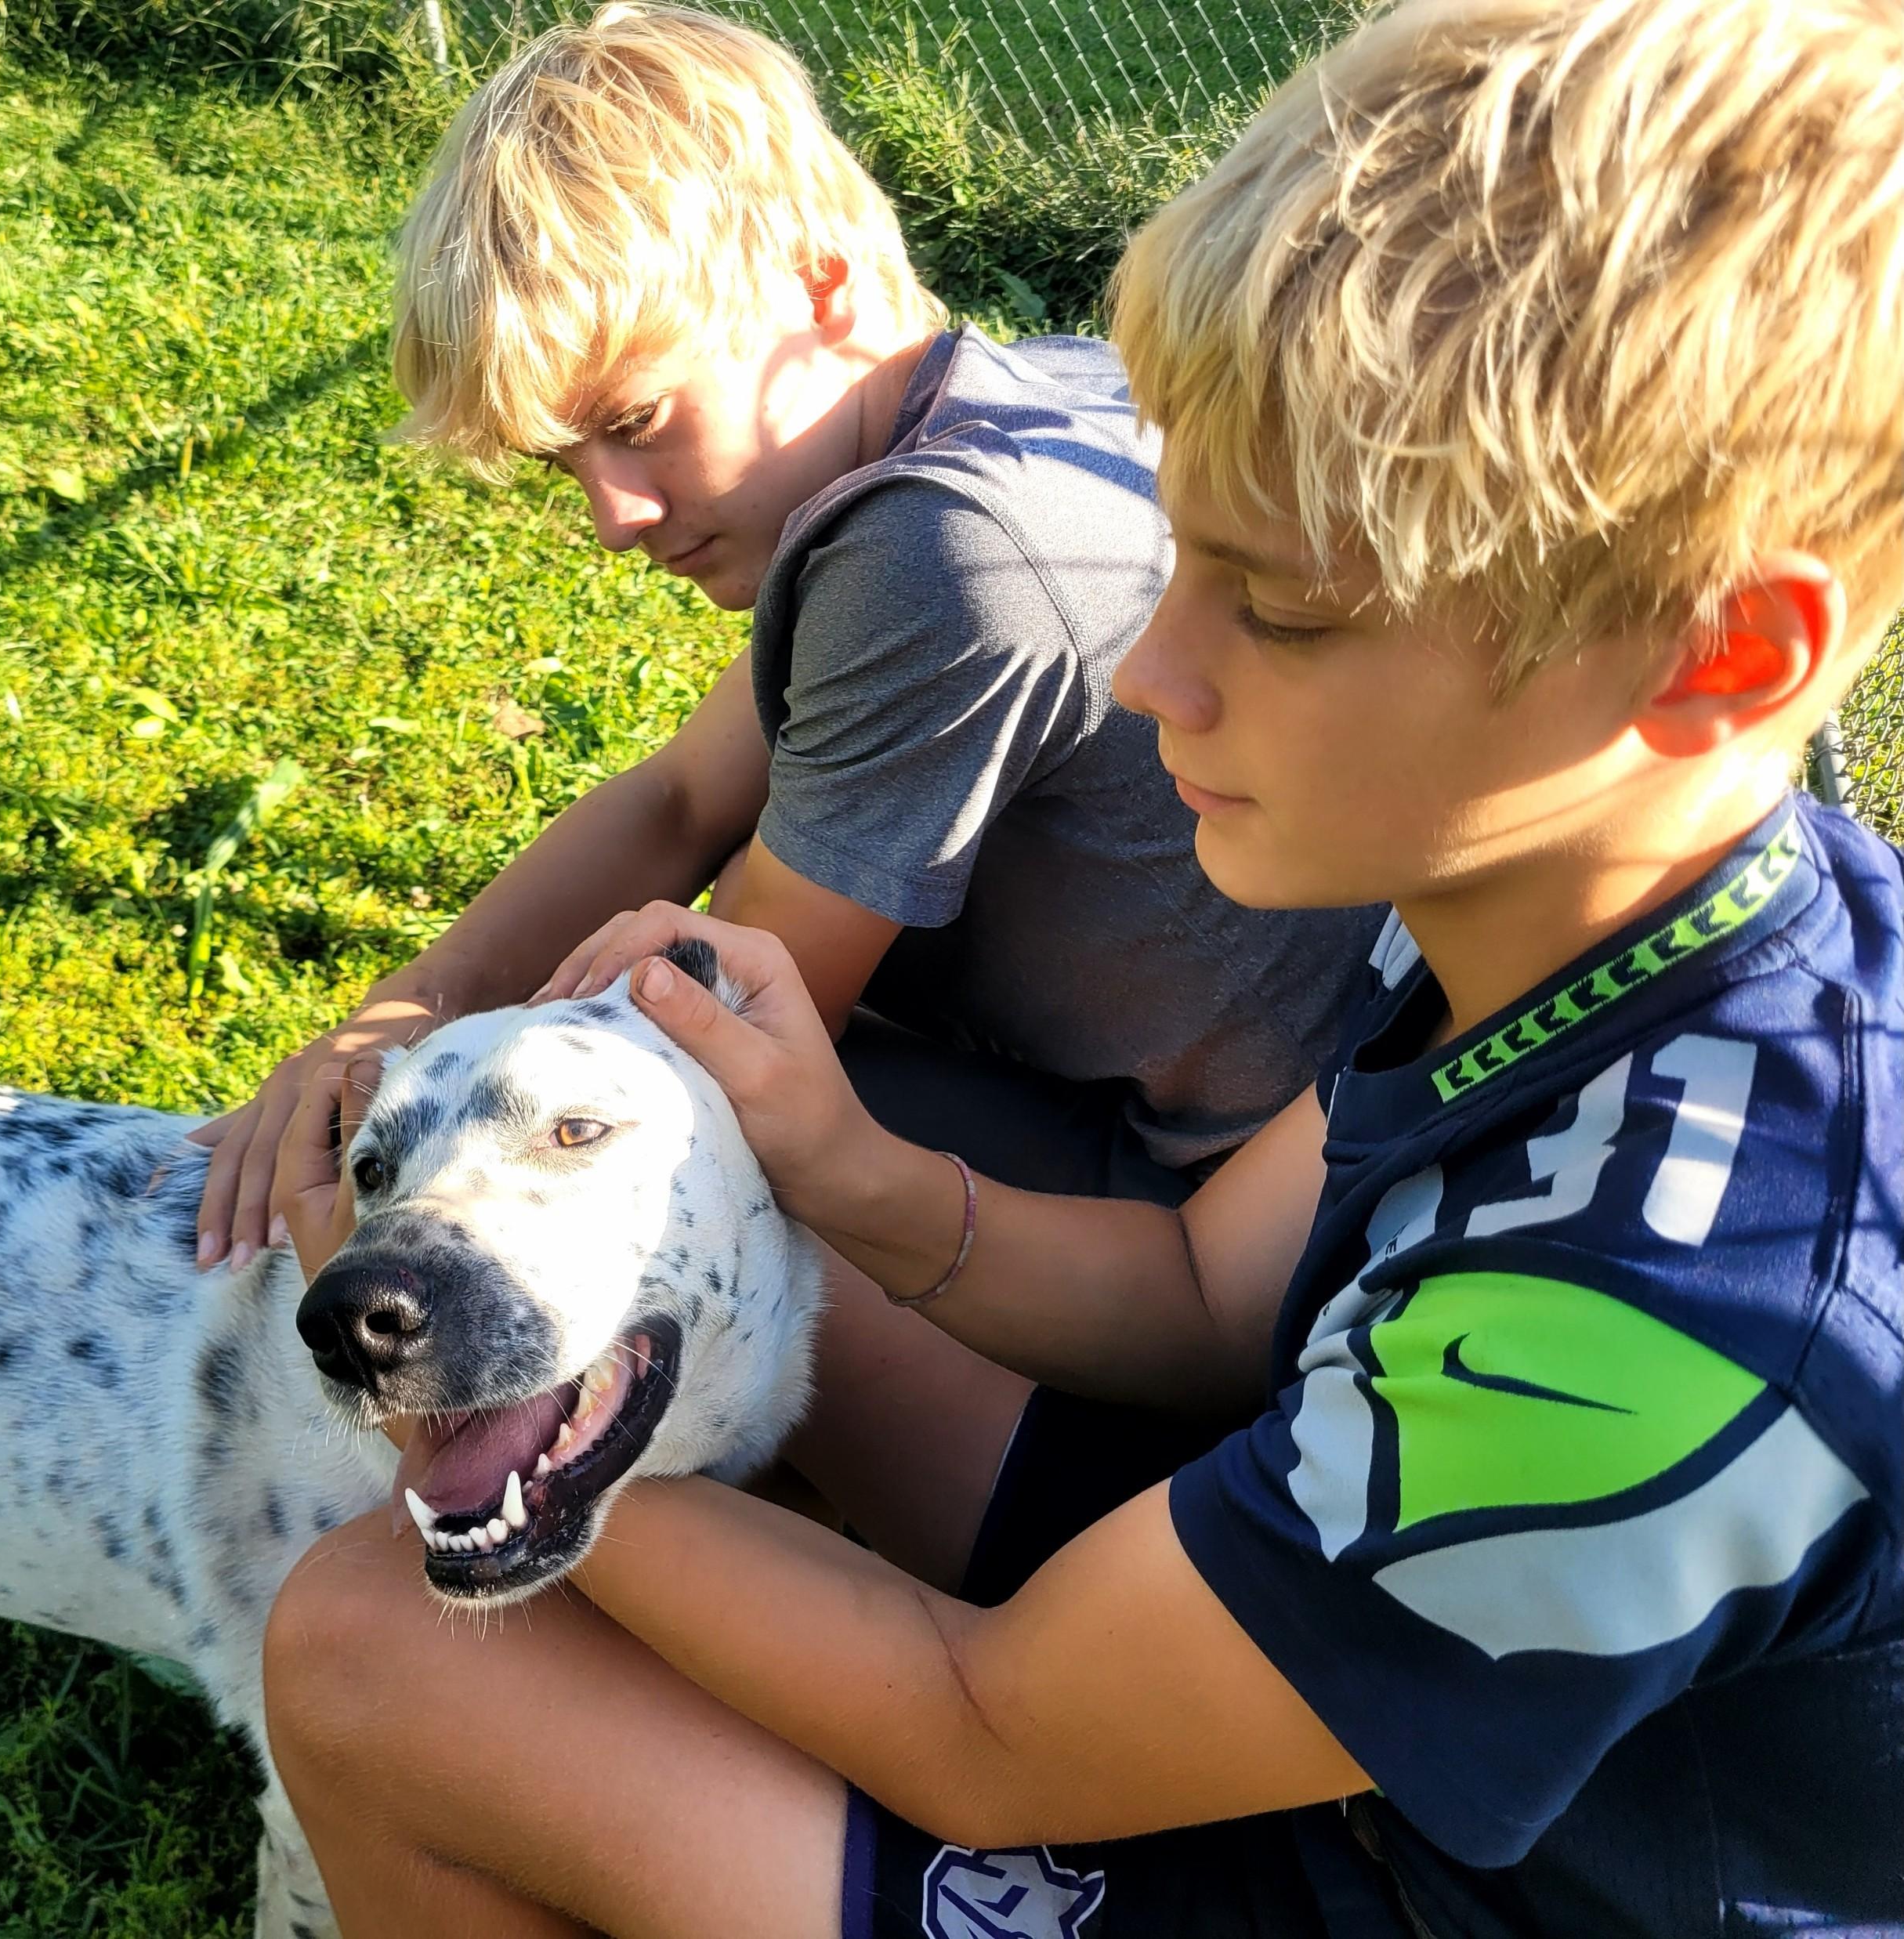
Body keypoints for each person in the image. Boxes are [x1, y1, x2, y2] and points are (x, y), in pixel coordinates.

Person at [255, 0, 1904, 1931]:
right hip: (1323, 1640)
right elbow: (1209, 1290)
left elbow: (991, 1729)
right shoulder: (1627, 914)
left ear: (1719, 657)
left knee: (376, 1645)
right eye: (1180, 553)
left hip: (1419, 1885)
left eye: (1280, 610)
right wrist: (849, 1170)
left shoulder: (1679, 1318)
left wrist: (490, 1465)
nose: (1148, 669)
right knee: (777, 1253)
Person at [188, 2, 1383, 1280]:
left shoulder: (947, 549)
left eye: (637, 424)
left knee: (588, 1164)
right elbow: (681, 794)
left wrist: (396, 1112)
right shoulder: (1024, 396)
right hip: (1239, 1116)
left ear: (822, 286)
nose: (612, 518)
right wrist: (399, 1016)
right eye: (564, 463)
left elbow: (709, 1038)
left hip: (1227, 1214)